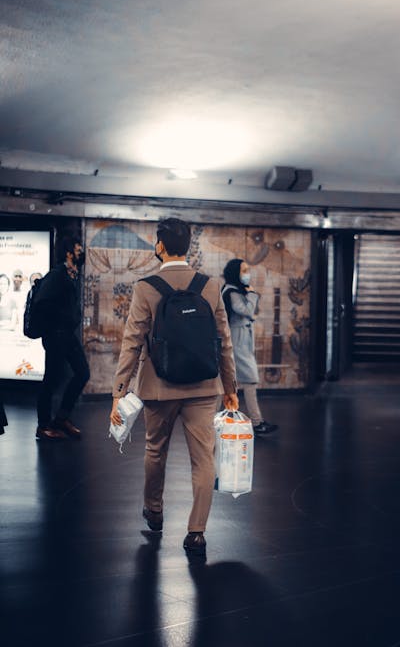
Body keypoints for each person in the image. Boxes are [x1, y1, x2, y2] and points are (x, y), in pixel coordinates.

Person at [110, 217, 238, 556]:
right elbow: (223, 341)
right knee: (204, 459)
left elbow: (132, 342)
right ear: (188, 246)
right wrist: (231, 387)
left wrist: (119, 391)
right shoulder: (210, 286)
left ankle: (154, 509)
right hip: (203, 387)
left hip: (158, 387)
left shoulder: (145, 287)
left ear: (161, 246)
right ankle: (197, 531)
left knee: (155, 451)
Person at [35, 236, 89, 441]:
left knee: (83, 373)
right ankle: (43, 425)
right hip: (56, 335)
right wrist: (58, 322)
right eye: (78, 249)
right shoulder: (56, 275)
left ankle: (62, 418)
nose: (81, 252)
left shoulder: (71, 275)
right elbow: (42, 303)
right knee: (51, 379)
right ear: (68, 252)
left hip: (67, 335)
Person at [222, 258, 278, 436]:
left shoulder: (234, 290)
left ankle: (217, 421)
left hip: (239, 340)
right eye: (244, 270)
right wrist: (252, 295)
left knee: (232, 383)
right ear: (235, 272)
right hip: (237, 342)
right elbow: (246, 311)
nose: (247, 274)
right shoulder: (231, 291)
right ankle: (256, 422)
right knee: (250, 380)